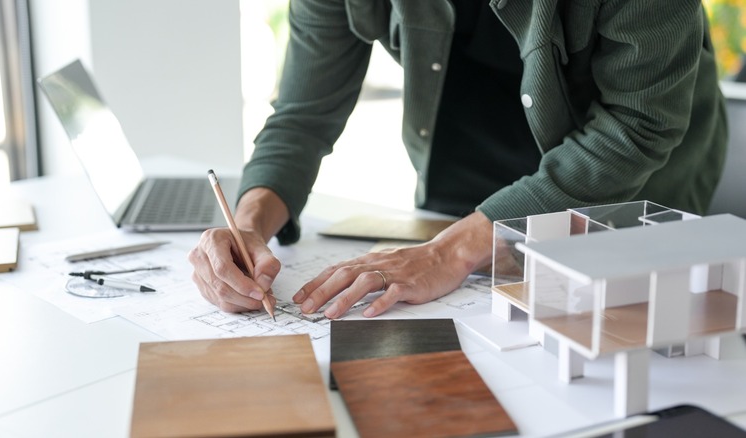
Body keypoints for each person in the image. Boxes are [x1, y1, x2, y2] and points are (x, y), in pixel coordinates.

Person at [189, 0, 727, 320]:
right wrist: (247, 227)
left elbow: (638, 126)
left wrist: (451, 253)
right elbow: (303, 116)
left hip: (620, 192)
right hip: (460, 188)